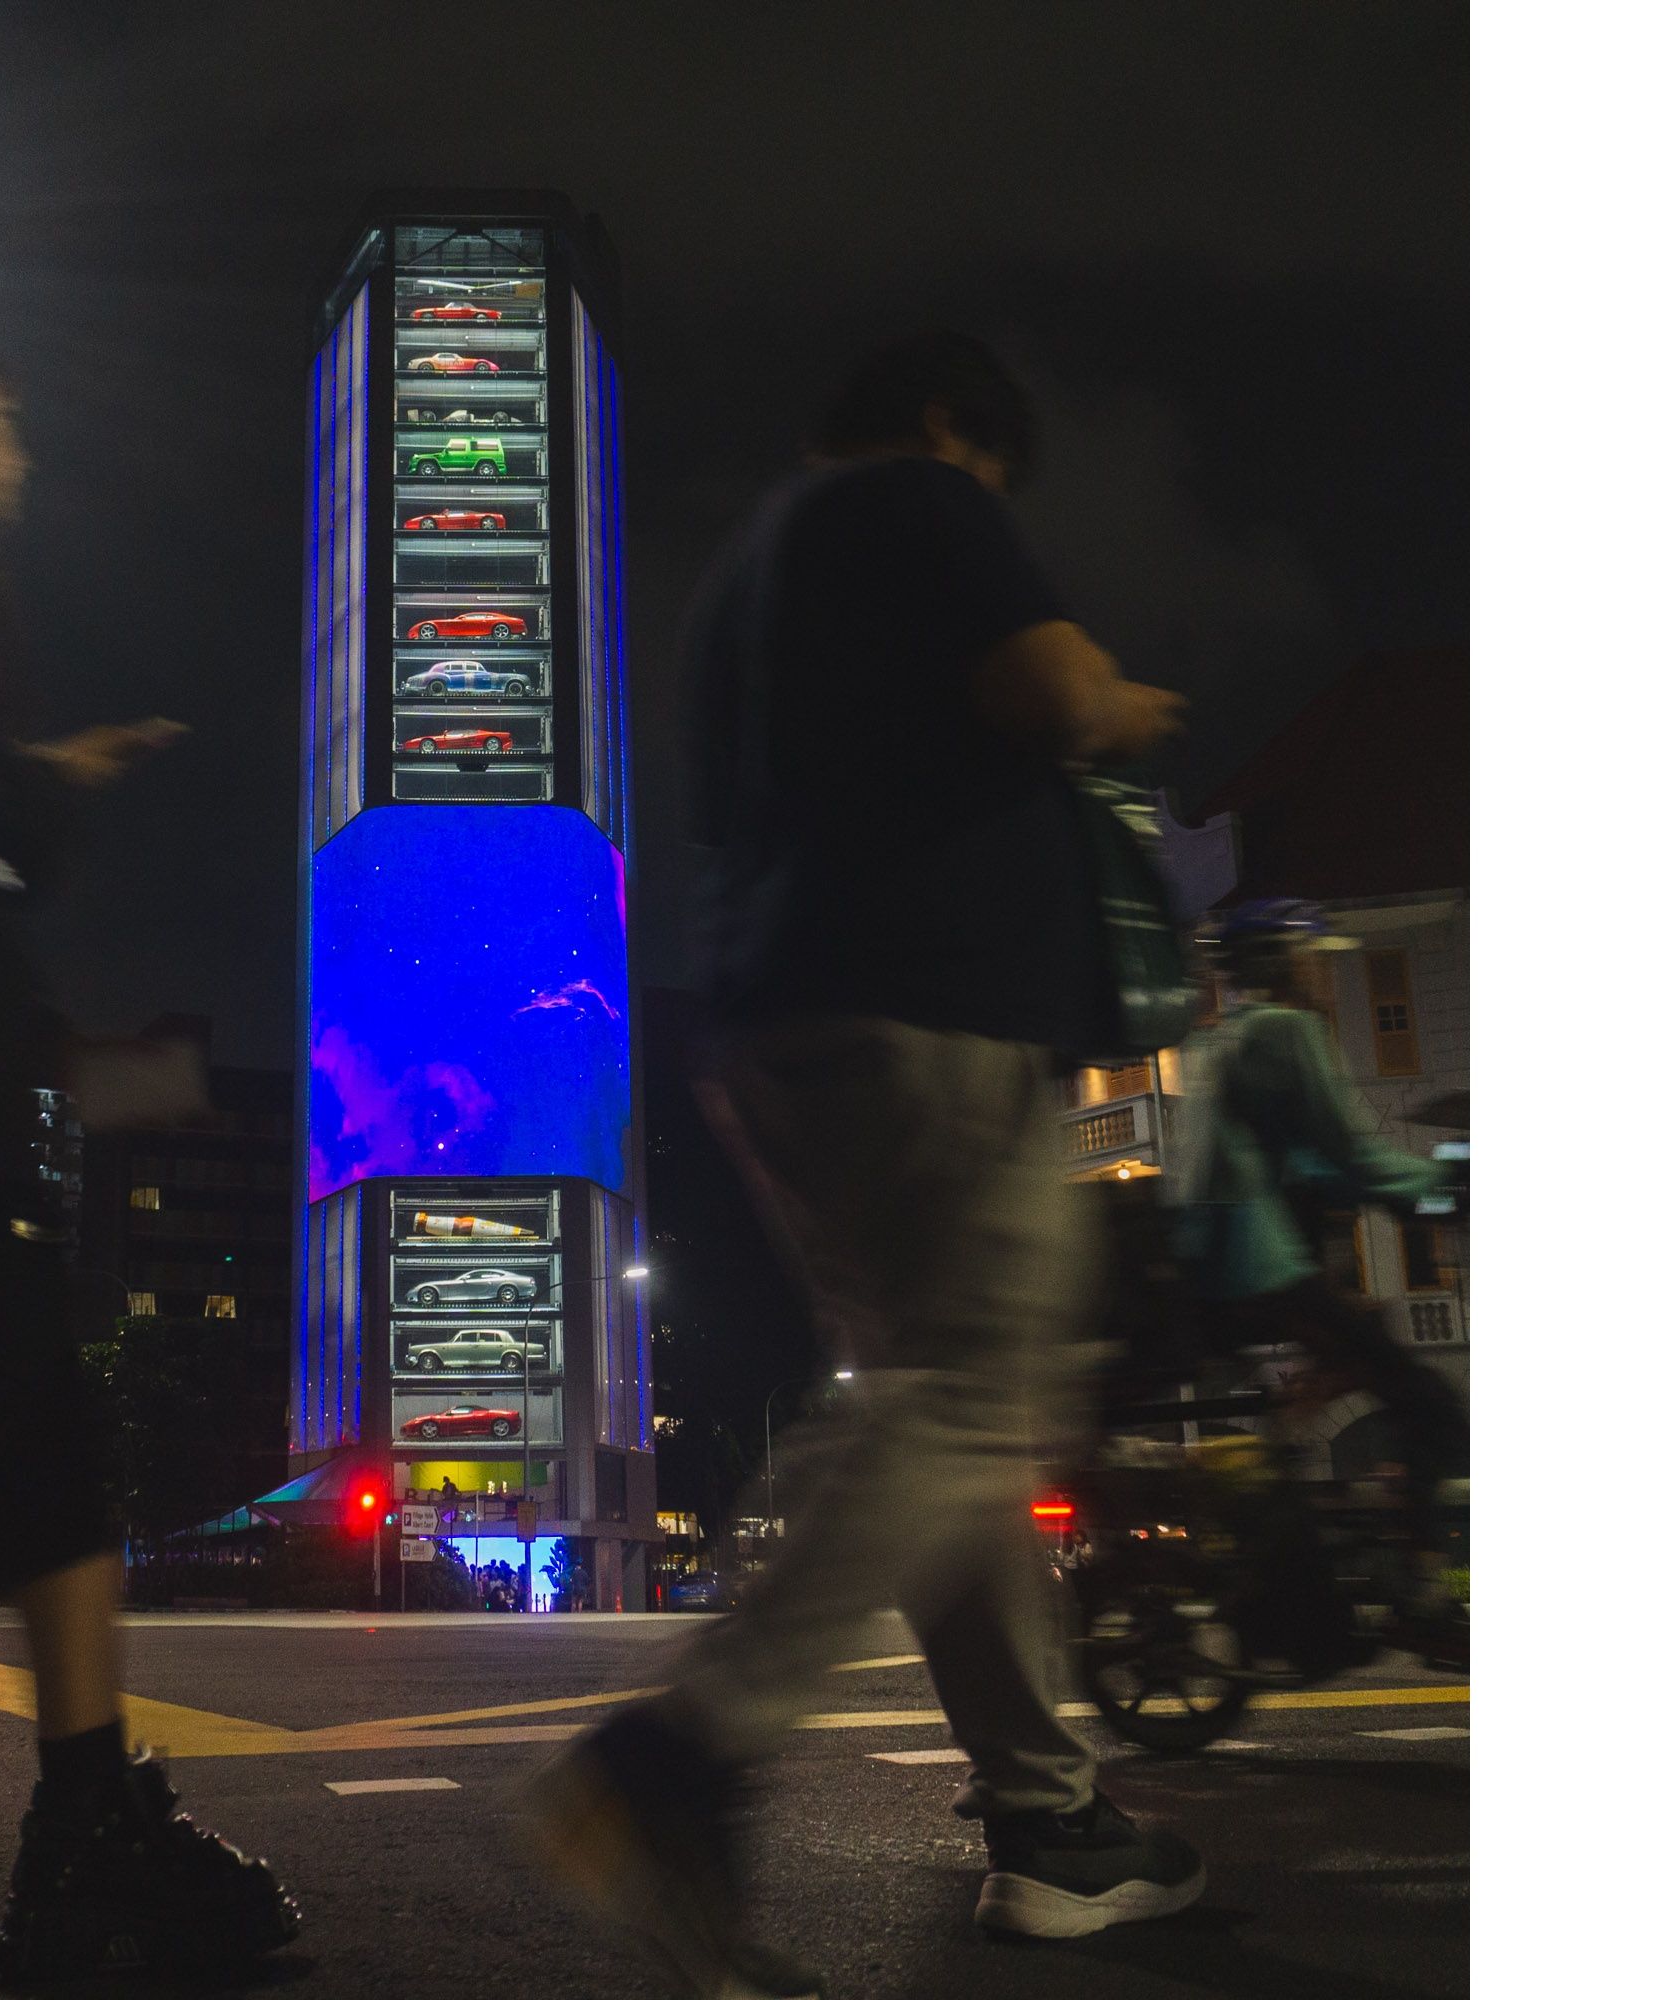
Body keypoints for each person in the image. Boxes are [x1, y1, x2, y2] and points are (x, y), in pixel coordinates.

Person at [528, 331, 1201, 1997]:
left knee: (945, 1414)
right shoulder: (916, 496)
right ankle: (679, 1756)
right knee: (968, 1394)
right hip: (930, 1009)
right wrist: (1119, 706)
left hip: (780, 1024)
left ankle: (1048, 1819)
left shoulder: (738, 584)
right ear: (951, 427)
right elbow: (1053, 692)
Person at [0, 315, 299, 1981]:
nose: (19, 456)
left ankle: (90, 1818)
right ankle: (85, 1835)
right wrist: (42, 789)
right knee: (46, 1469)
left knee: (28, 1467)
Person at [1168, 897, 1469, 1627]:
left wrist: (1427, 1193)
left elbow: (1315, 1167)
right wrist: (1450, 1184)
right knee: (1433, 1403)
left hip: (1226, 1268)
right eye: (1313, 957)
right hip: (1260, 1268)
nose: (1325, 975)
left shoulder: (1228, 1037)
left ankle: (1318, 1531)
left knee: (1360, 1345)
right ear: (1282, 961)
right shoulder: (1285, 1029)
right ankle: (1419, 1578)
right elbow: (1351, 1155)